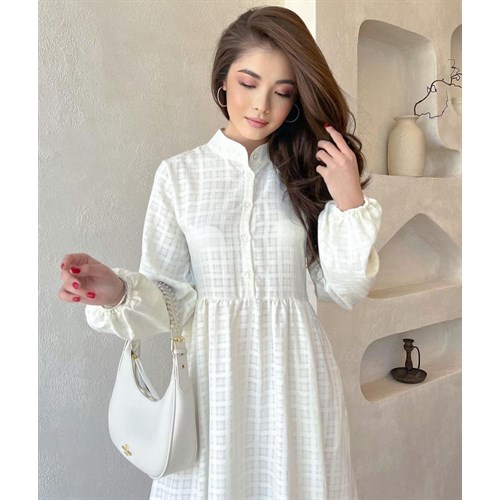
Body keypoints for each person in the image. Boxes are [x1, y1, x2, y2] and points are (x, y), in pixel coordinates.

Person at [58, 6, 382, 500]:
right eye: (248, 83)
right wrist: (119, 292)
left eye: (282, 92)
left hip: (296, 379)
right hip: (213, 380)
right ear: (223, 81)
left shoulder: (305, 175)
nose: (262, 106)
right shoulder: (179, 176)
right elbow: (171, 299)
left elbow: (343, 288)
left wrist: (349, 201)